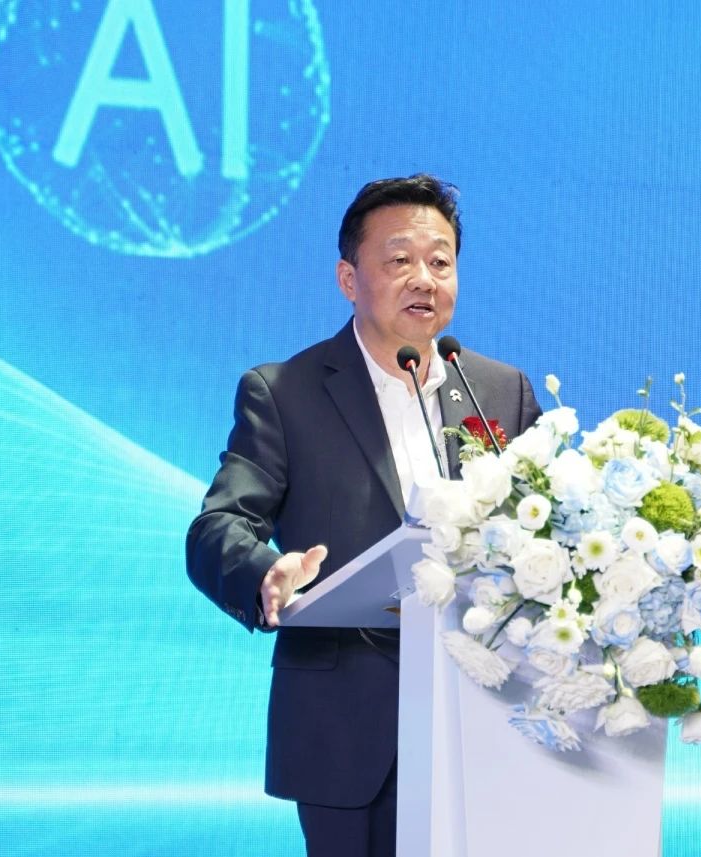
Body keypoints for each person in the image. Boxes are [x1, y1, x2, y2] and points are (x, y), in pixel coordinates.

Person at [185, 174, 542, 856]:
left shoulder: (500, 390)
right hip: (350, 730)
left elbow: (549, 522)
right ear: (349, 279)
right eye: (400, 259)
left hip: (488, 715)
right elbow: (217, 527)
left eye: (440, 262)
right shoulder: (285, 392)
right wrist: (266, 574)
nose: (424, 279)